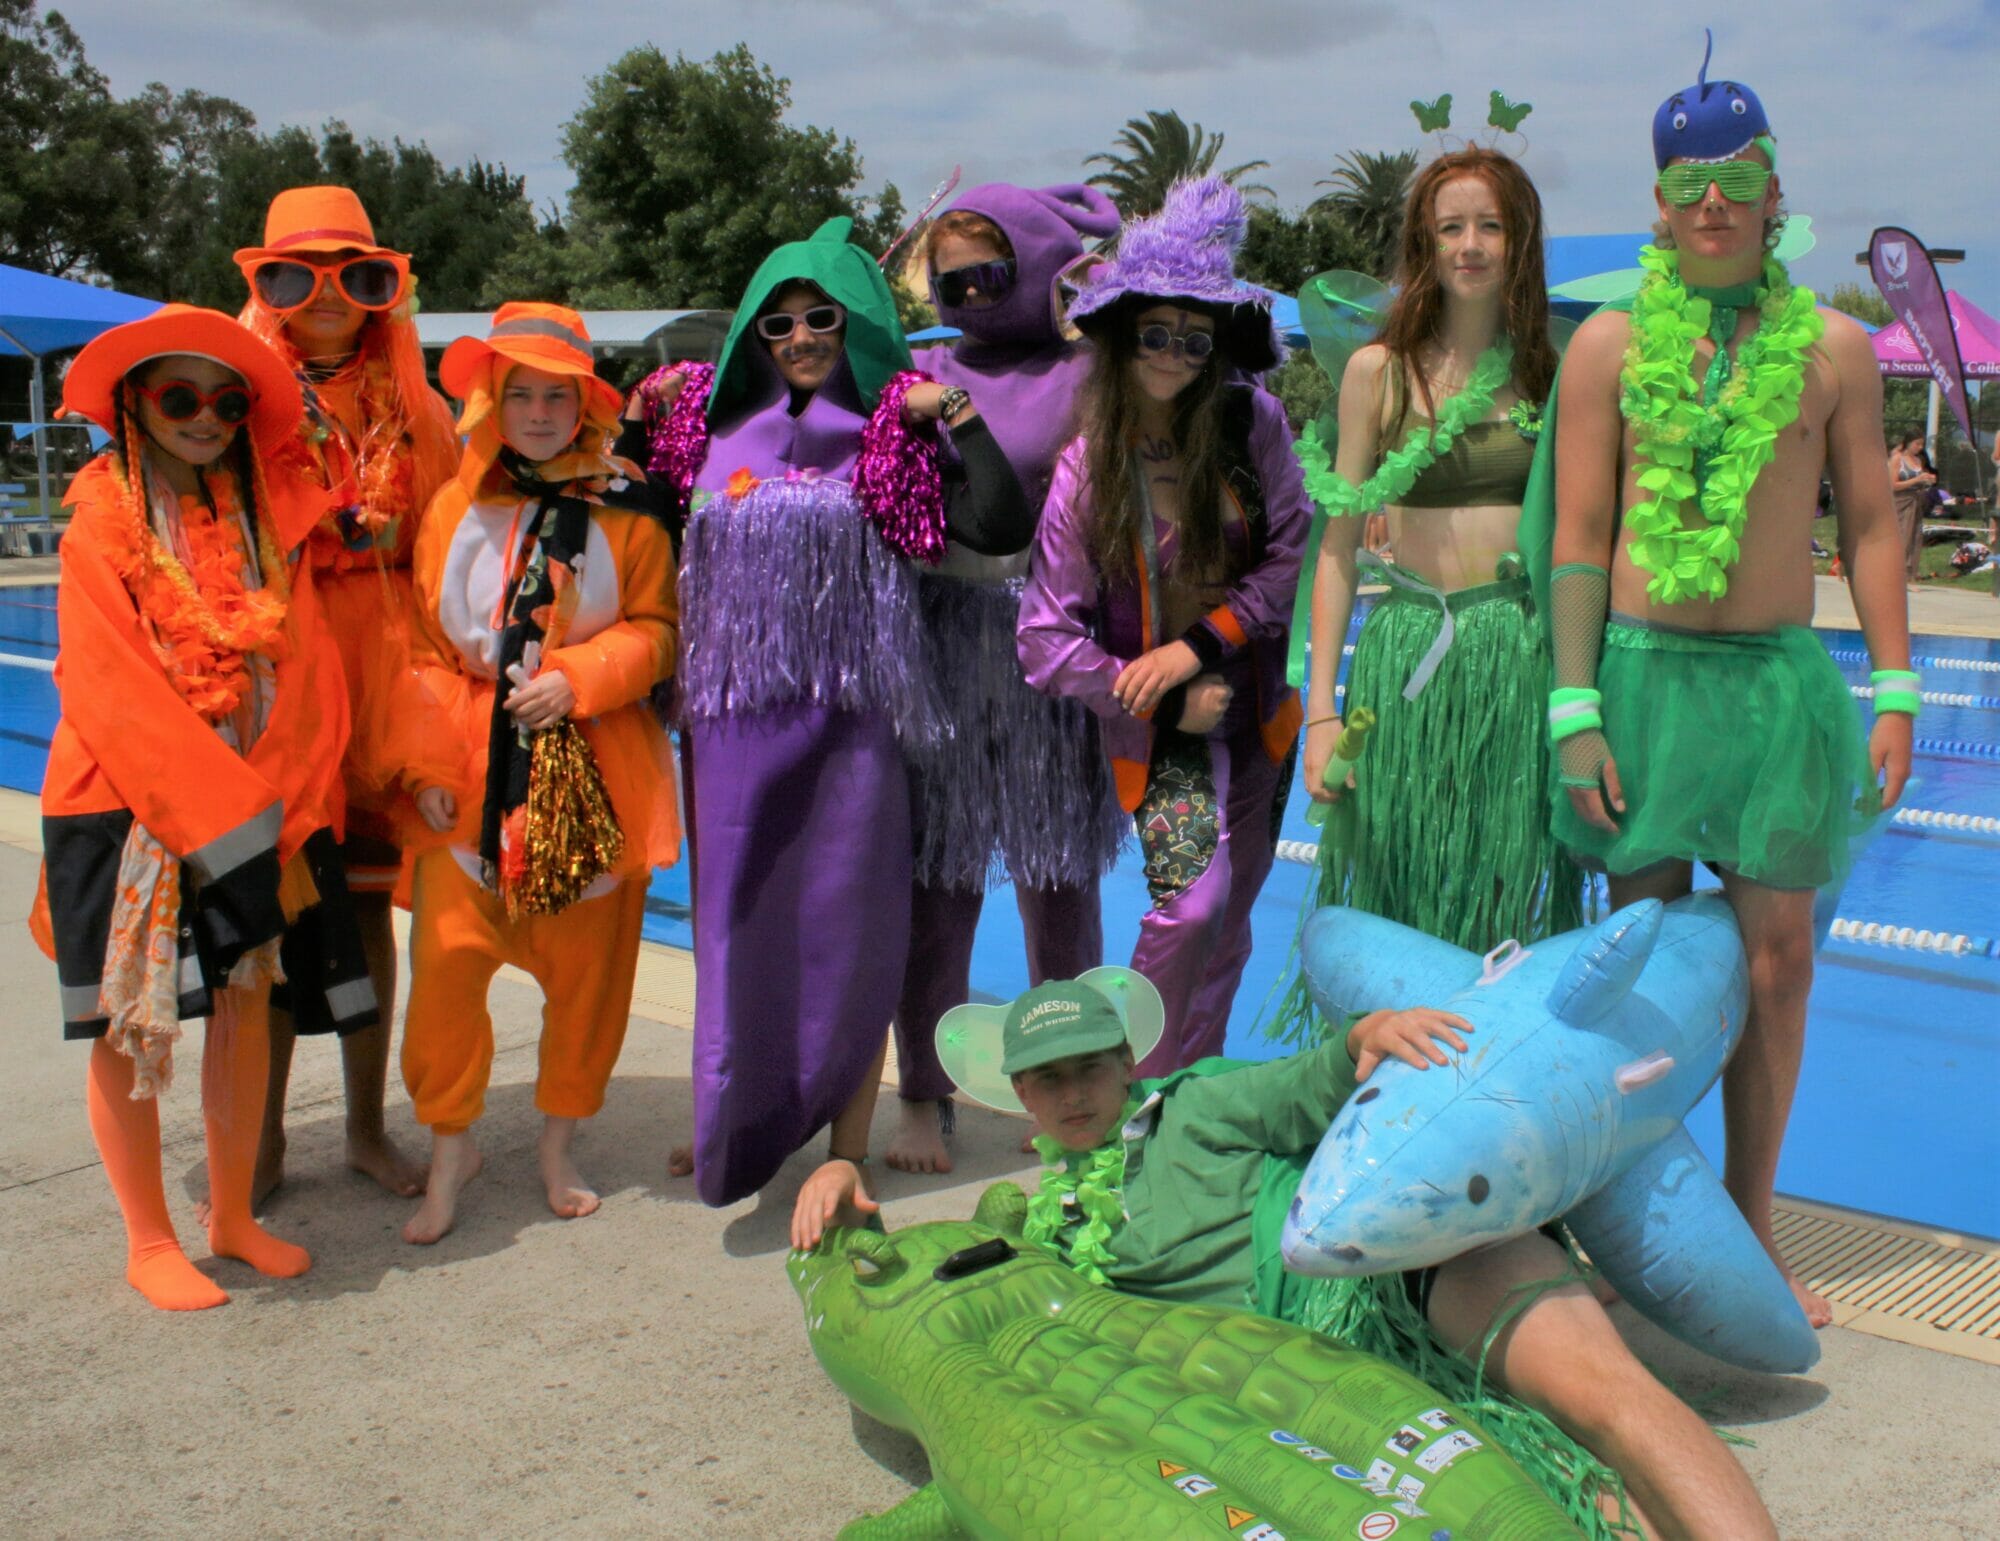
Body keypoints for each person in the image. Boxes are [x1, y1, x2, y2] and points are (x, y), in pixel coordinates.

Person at [791, 974, 1777, 1540]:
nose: (1074, 1091)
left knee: (1603, 1399)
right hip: (1333, 1383)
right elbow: (945, 1281)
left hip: (1401, 1268)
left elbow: (1310, 1083)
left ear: (1123, 1063)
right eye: (1048, 1079)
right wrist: (841, 1187)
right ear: (1020, 1094)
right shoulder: (1047, 1231)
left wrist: (1365, 1032)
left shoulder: (1194, 1101)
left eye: (1089, 1065)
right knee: (1551, 1476)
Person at [1533, 46, 1914, 1327]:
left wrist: (1901, 686)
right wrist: (1573, 707)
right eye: (1687, 182)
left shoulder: (1838, 351)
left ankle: (1747, 1220)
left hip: (1769, 687)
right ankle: (1634, 1209)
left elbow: (1866, 525)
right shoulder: (1606, 345)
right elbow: (1578, 537)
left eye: (1734, 178)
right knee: (1632, 965)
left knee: (1777, 960)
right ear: (1658, 202)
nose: (1711, 202)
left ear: (1770, 191)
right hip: (1636, 680)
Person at [637, 217, 1030, 1207]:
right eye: (778, 323)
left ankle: (843, 1142)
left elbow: (996, 523)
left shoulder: (889, 432)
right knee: (733, 925)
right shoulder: (707, 436)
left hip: (855, 721)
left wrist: (962, 418)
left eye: (821, 316)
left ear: (852, 324)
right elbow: (634, 534)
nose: (801, 335)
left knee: (851, 928)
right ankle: (733, 1117)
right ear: (752, 338)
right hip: (734, 728)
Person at [35, 305, 368, 1308]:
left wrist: (290, 790)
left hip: (251, 802)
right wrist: (221, 809)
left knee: (242, 1001)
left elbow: (305, 659)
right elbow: (108, 684)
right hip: (129, 805)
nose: (207, 418)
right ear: (134, 403)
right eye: (180, 397)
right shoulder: (100, 517)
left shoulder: (257, 516)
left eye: (227, 400)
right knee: (122, 1022)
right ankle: (148, 1238)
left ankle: (230, 1216)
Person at [387, 304, 680, 1243]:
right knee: (444, 973)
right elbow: (426, 648)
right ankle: (449, 1151)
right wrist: (428, 760)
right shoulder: (449, 508)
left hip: (594, 769)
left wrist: (579, 678)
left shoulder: (629, 508)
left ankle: (558, 1148)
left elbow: (660, 632)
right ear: (491, 401)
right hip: (471, 772)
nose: (542, 411)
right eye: (523, 394)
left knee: (586, 978)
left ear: (586, 405)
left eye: (559, 394)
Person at [1286, 147, 1580, 1037]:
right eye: (1450, 226)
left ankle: (1489, 1077)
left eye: (1490, 224)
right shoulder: (1379, 371)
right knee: (1398, 874)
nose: (1471, 244)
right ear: (1423, 242)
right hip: (1408, 651)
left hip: (1516, 656)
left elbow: (1583, 537)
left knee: (1500, 883)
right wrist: (1320, 709)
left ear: (1520, 238)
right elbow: (1337, 547)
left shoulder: (1553, 366)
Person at [1018, 176, 1308, 1076]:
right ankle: (1125, 1094)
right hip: (1167, 728)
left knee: (1232, 922)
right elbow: (1043, 635)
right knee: (1189, 907)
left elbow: (1289, 554)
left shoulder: (1253, 422)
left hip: (1258, 711)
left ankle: (1191, 1104)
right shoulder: (1086, 467)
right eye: (1156, 333)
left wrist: (1198, 644)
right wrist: (1144, 690)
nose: (1177, 354)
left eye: (1196, 336)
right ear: (1118, 333)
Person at [889, 183, 1129, 1174]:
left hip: (1043, 636)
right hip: (942, 632)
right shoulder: (919, 366)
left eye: (988, 274)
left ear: (1031, 267)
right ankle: (922, 1091)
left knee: (1056, 879)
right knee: (939, 879)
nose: (968, 297)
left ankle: (1072, 1086)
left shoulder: (1085, 372)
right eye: (948, 280)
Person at [234, 185, 460, 1205]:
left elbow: (457, 528)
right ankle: (265, 1135)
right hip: (281, 680)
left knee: (369, 916)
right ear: (265, 285)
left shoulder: (413, 407)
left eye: (354, 274)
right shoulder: (230, 400)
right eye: (297, 273)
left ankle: (368, 1128)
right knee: (276, 916)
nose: (326, 296)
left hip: (381, 691)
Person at [1887, 431, 1935, 581]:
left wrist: (1927, 480)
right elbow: (1893, 485)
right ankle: (1894, 574)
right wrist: (1916, 480)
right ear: (1908, 443)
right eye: (1917, 444)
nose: (1920, 447)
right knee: (1901, 537)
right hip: (1900, 502)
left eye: (1922, 444)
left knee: (1914, 537)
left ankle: (1909, 574)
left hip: (1916, 502)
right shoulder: (1897, 459)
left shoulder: (1918, 461)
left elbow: (1919, 480)